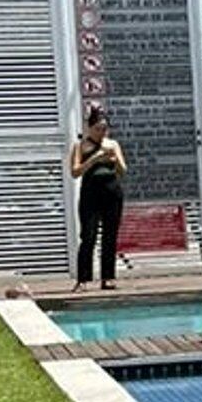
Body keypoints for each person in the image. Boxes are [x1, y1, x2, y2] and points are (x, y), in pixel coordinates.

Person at [69, 107, 128, 291]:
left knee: (110, 236)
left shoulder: (112, 144)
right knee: (89, 235)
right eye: (98, 129)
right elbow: (74, 172)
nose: (101, 133)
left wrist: (114, 158)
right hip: (90, 195)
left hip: (112, 193)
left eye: (104, 129)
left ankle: (108, 277)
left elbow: (123, 171)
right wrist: (94, 159)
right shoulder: (80, 146)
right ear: (89, 128)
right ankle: (83, 279)